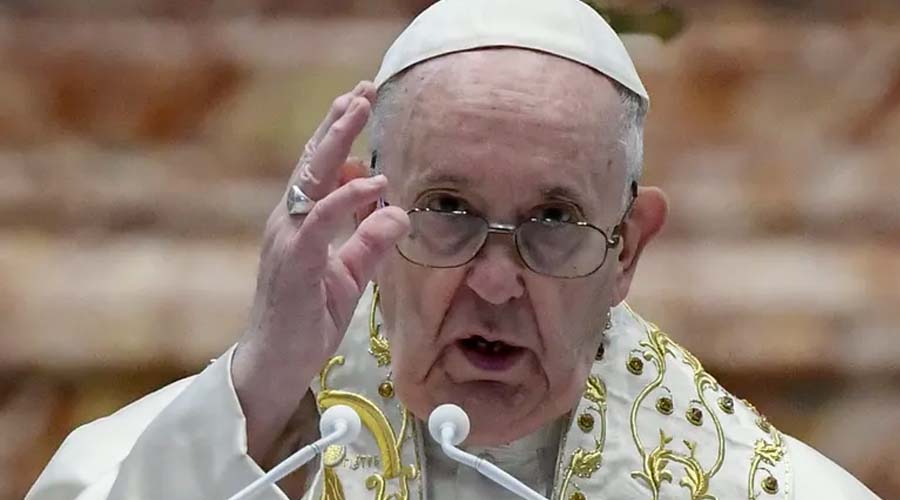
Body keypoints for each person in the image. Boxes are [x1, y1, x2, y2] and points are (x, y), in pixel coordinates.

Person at [26, 1, 882, 499]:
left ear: (626, 250)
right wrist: (255, 397)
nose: (497, 282)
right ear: (366, 213)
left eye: (554, 219)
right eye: (447, 208)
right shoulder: (141, 465)